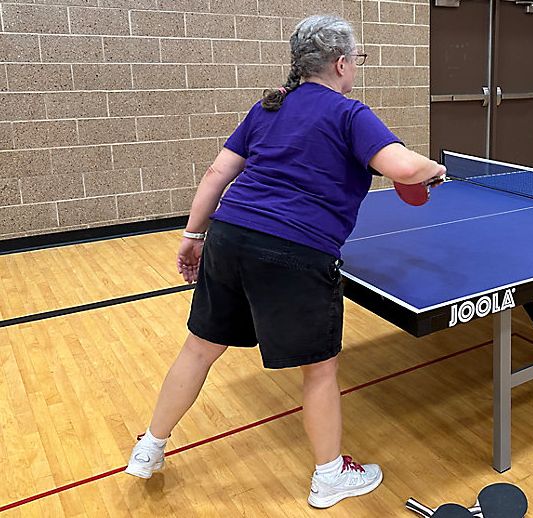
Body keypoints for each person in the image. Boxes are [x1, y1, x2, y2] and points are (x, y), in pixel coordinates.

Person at [124, 14, 446, 509]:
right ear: (340, 63)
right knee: (319, 370)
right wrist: (434, 167)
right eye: (355, 60)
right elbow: (403, 167)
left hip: (228, 237)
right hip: (294, 249)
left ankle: (150, 446)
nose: (355, 70)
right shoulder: (349, 113)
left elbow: (217, 172)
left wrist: (192, 235)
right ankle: (329, 476)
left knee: (198, 349)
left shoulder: (268, 106)